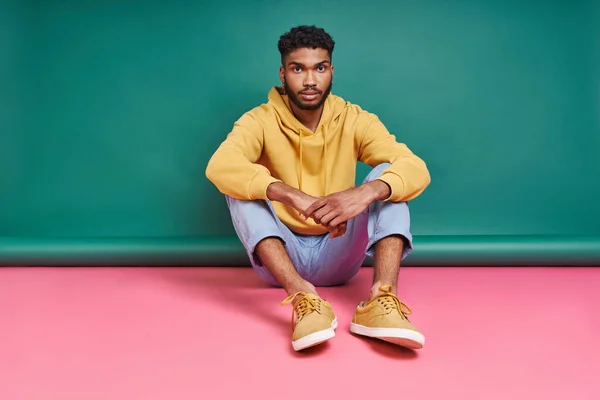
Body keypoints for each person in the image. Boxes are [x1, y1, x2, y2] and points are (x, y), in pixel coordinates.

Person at [205, 25, 431, 352]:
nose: (310, 80)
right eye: (298, 69)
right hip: (281, 259)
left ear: (331, 71)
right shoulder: (259, 120)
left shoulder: (354, 118)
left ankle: (382, 302)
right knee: (242, 185)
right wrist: (288, 192)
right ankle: (304, 299)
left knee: (389, 178)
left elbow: (416, 168)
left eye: (320, 68)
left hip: (338, 252)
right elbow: (219, 165)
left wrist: (365, 192)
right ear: (283, 74)